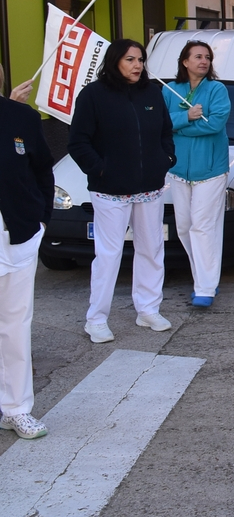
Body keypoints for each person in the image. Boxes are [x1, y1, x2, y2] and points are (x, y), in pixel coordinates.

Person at [67, 40, 175, 343]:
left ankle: (148, 309)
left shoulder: (152, 92)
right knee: (108, 255)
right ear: (115, 61)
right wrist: (101, 169)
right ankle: (96, 319)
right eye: (130, 59)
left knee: (151, 249)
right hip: (109, 191)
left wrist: (166, 159)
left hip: (150, 188)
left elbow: (165, 132)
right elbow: (78, 141)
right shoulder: (93, 95)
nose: (137, 65)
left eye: (140, 59)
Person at [0, 65, 54, 440]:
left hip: (17, 233)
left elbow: (42, 172)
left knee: (16, 323)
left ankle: (16, 408)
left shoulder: (21, 117)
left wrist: (41, 221)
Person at [163, 41, 231, 308]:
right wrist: (187, 117)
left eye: (208, 57)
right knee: (184, 227)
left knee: (202, 226)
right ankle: (205, 276)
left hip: (211, 170)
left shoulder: (217, 89)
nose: (204, 61)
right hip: (178, 170)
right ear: (185, 61)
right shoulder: (170, 89)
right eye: (198, 56)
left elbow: (215, 124)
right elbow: (160, 123)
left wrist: (178, 127)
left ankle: (205, 287)